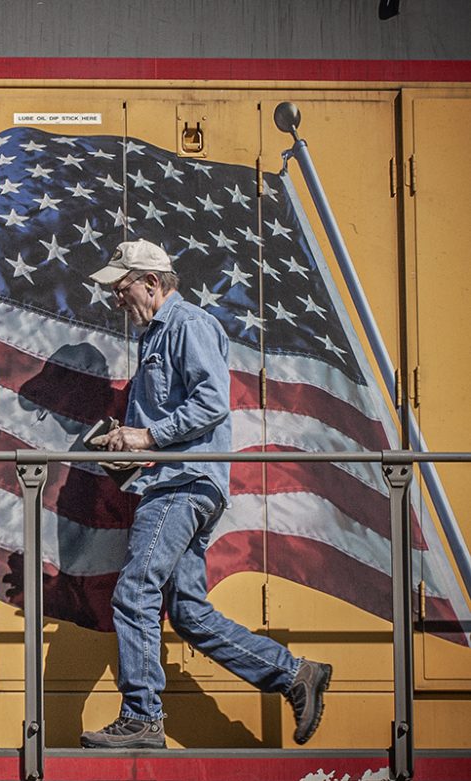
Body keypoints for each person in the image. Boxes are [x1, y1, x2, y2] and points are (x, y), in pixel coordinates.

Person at [79, 239, 332, 749]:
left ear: (151, 282)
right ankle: (294, 673)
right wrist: (126, 439)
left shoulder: (188, 325)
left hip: (182, 483)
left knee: (134, 593)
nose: (116, 299)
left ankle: (142, 718)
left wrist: (146, 438)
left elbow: (212, 402)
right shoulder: (156, 335)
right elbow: (180, 410)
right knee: (189, 612)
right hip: (177, 482)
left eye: (121, 287)